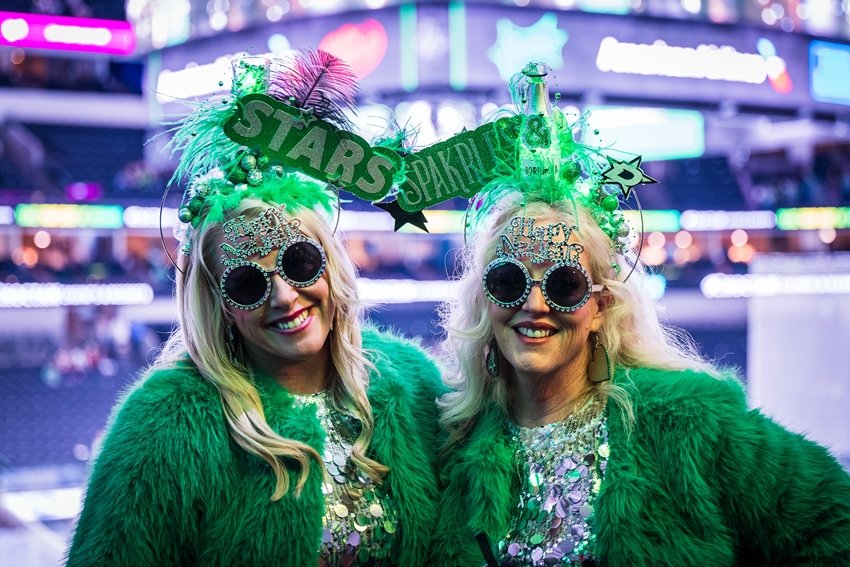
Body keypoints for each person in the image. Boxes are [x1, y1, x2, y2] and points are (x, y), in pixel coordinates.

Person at [430, 64, 850, 566]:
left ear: (600, 306)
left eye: (564, 284)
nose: (534, 304)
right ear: (484, 303)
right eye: (508, 281)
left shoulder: (689, 424)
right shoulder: (453, 452)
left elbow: (833, 522)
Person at [66, 52, 441, 566]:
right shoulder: (160, 428)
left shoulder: (414, 384)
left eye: (300, 261)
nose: (285, 296)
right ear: (219, 304)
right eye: (247, 283)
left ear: (332, 263)